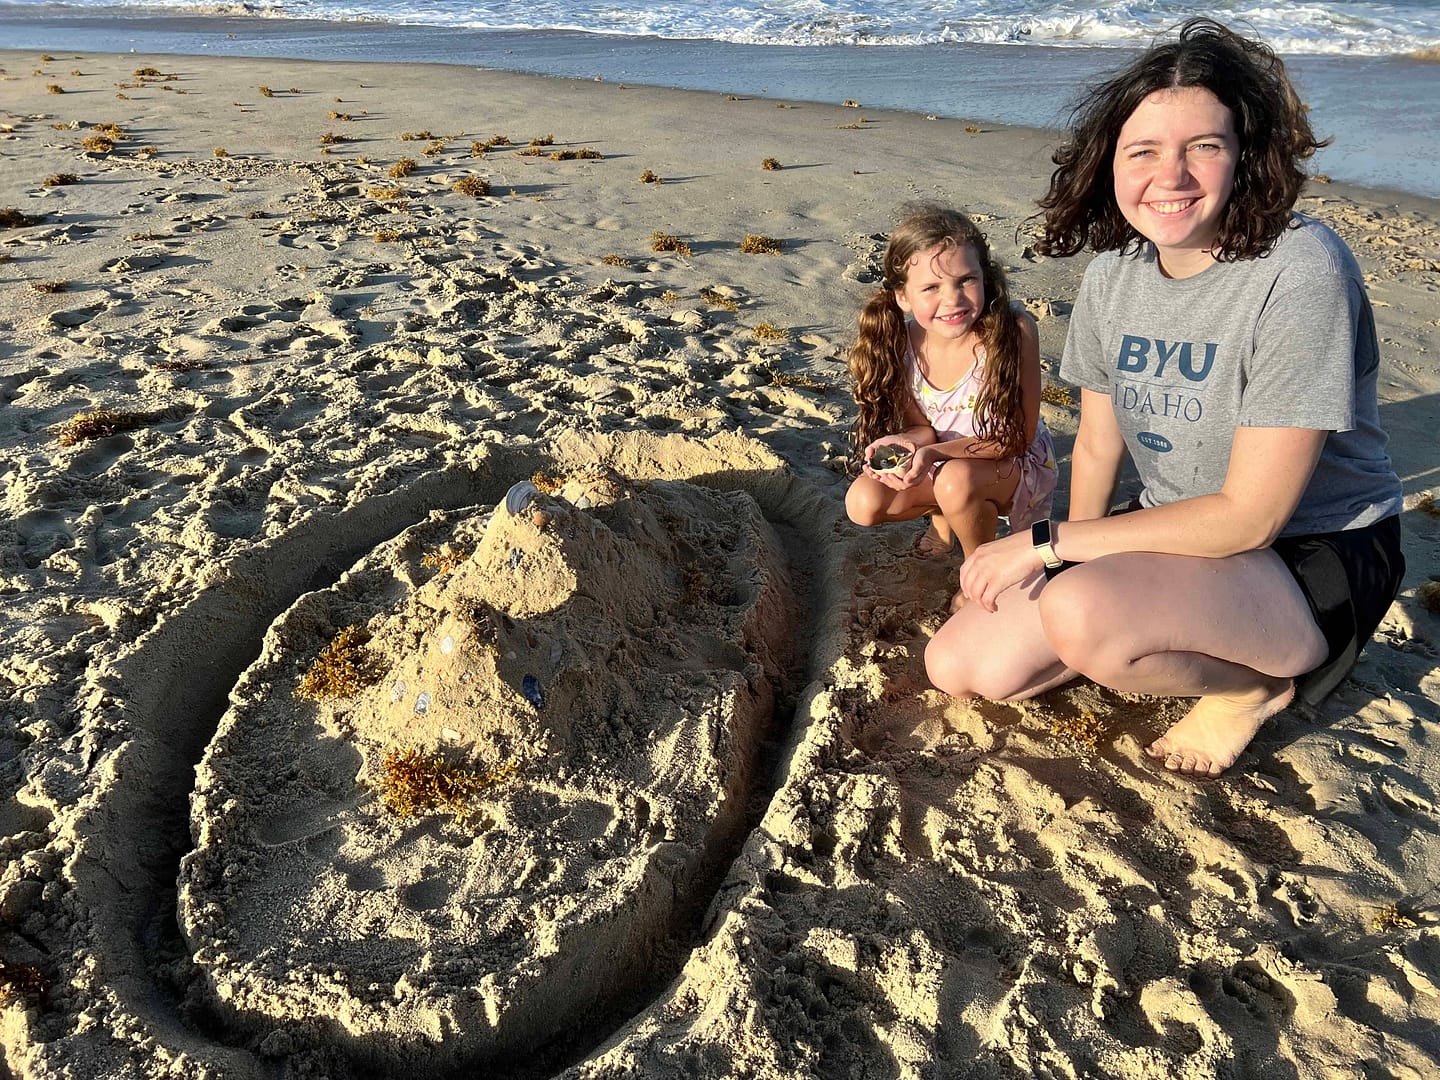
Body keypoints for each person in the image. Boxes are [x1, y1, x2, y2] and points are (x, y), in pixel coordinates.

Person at [924, 18, 1405, 777]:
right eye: (1143, 151)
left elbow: (1253, 515)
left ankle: (1254, 687)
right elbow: (1100, 444)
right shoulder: (1117, 273)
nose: (1170, 176)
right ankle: (1134, 624)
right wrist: (1057, 563)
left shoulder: (1300, 268)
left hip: (1313, 554)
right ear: (1109, 162)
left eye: (1203, 147)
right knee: (963, 665)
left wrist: (1047, 547)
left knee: (1085, 617)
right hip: (1173, 532)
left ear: (1246, 155)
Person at [844, 204, 1058, 577]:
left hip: (1013, 464)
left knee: (956, 480)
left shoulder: (1012, 333)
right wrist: (908, 444)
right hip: (943, 460)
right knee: (863, 501)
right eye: (931, 287)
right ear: (902, 296)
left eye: (966, 280)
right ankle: (944, 517)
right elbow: (922, 428)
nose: (953, 299)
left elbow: (1018, 439)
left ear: (985, 278)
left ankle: (981, 566)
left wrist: (933, 453)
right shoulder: (900, 343)